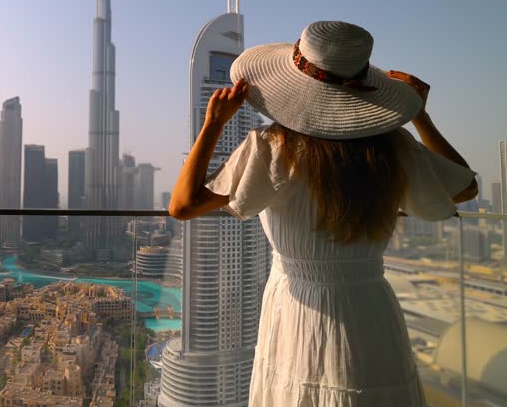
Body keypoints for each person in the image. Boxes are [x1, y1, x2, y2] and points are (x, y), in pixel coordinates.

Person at [169, 21, 477, 406]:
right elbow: (466, 187)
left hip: (297, 311)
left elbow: (182, 206)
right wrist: (418, 115)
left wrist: (213, 123)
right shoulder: (392, 150)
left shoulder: (274, 148)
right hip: (370, 309)